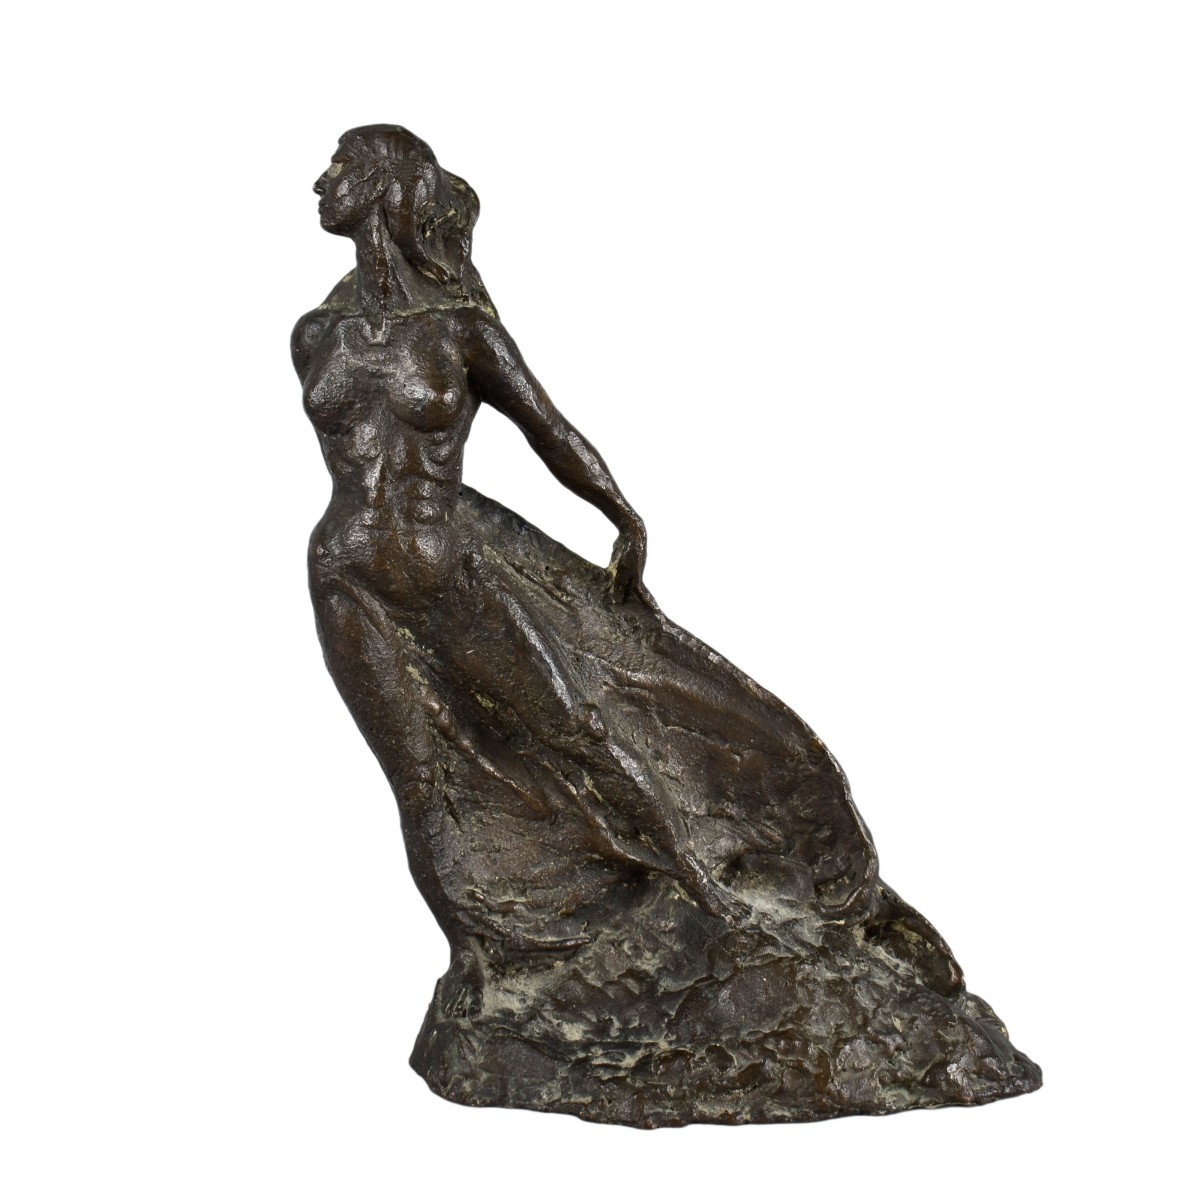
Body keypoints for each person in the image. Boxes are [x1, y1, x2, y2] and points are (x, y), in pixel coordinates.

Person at [294, 125, 879, 951]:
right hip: (346, 571)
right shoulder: (314, 335)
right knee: (423, 778)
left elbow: (549, 429)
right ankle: (486, 954)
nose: (323, 182)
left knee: (578, 726)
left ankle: (708, 891)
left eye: (344, 165)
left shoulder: (458, 328)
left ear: (388, 184)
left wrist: (619, 513)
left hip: (440, 561)